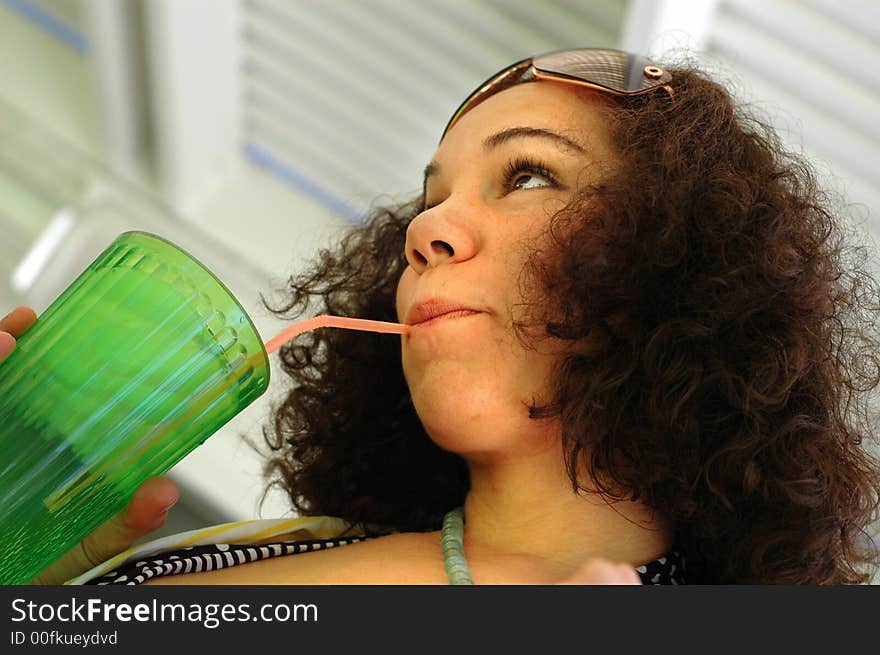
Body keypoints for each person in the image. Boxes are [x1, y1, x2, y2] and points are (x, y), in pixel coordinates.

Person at [8, 47, 880, 585]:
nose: (425, 229)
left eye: (529, 174)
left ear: (676, 261)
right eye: (430, 199)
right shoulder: (319, 545)